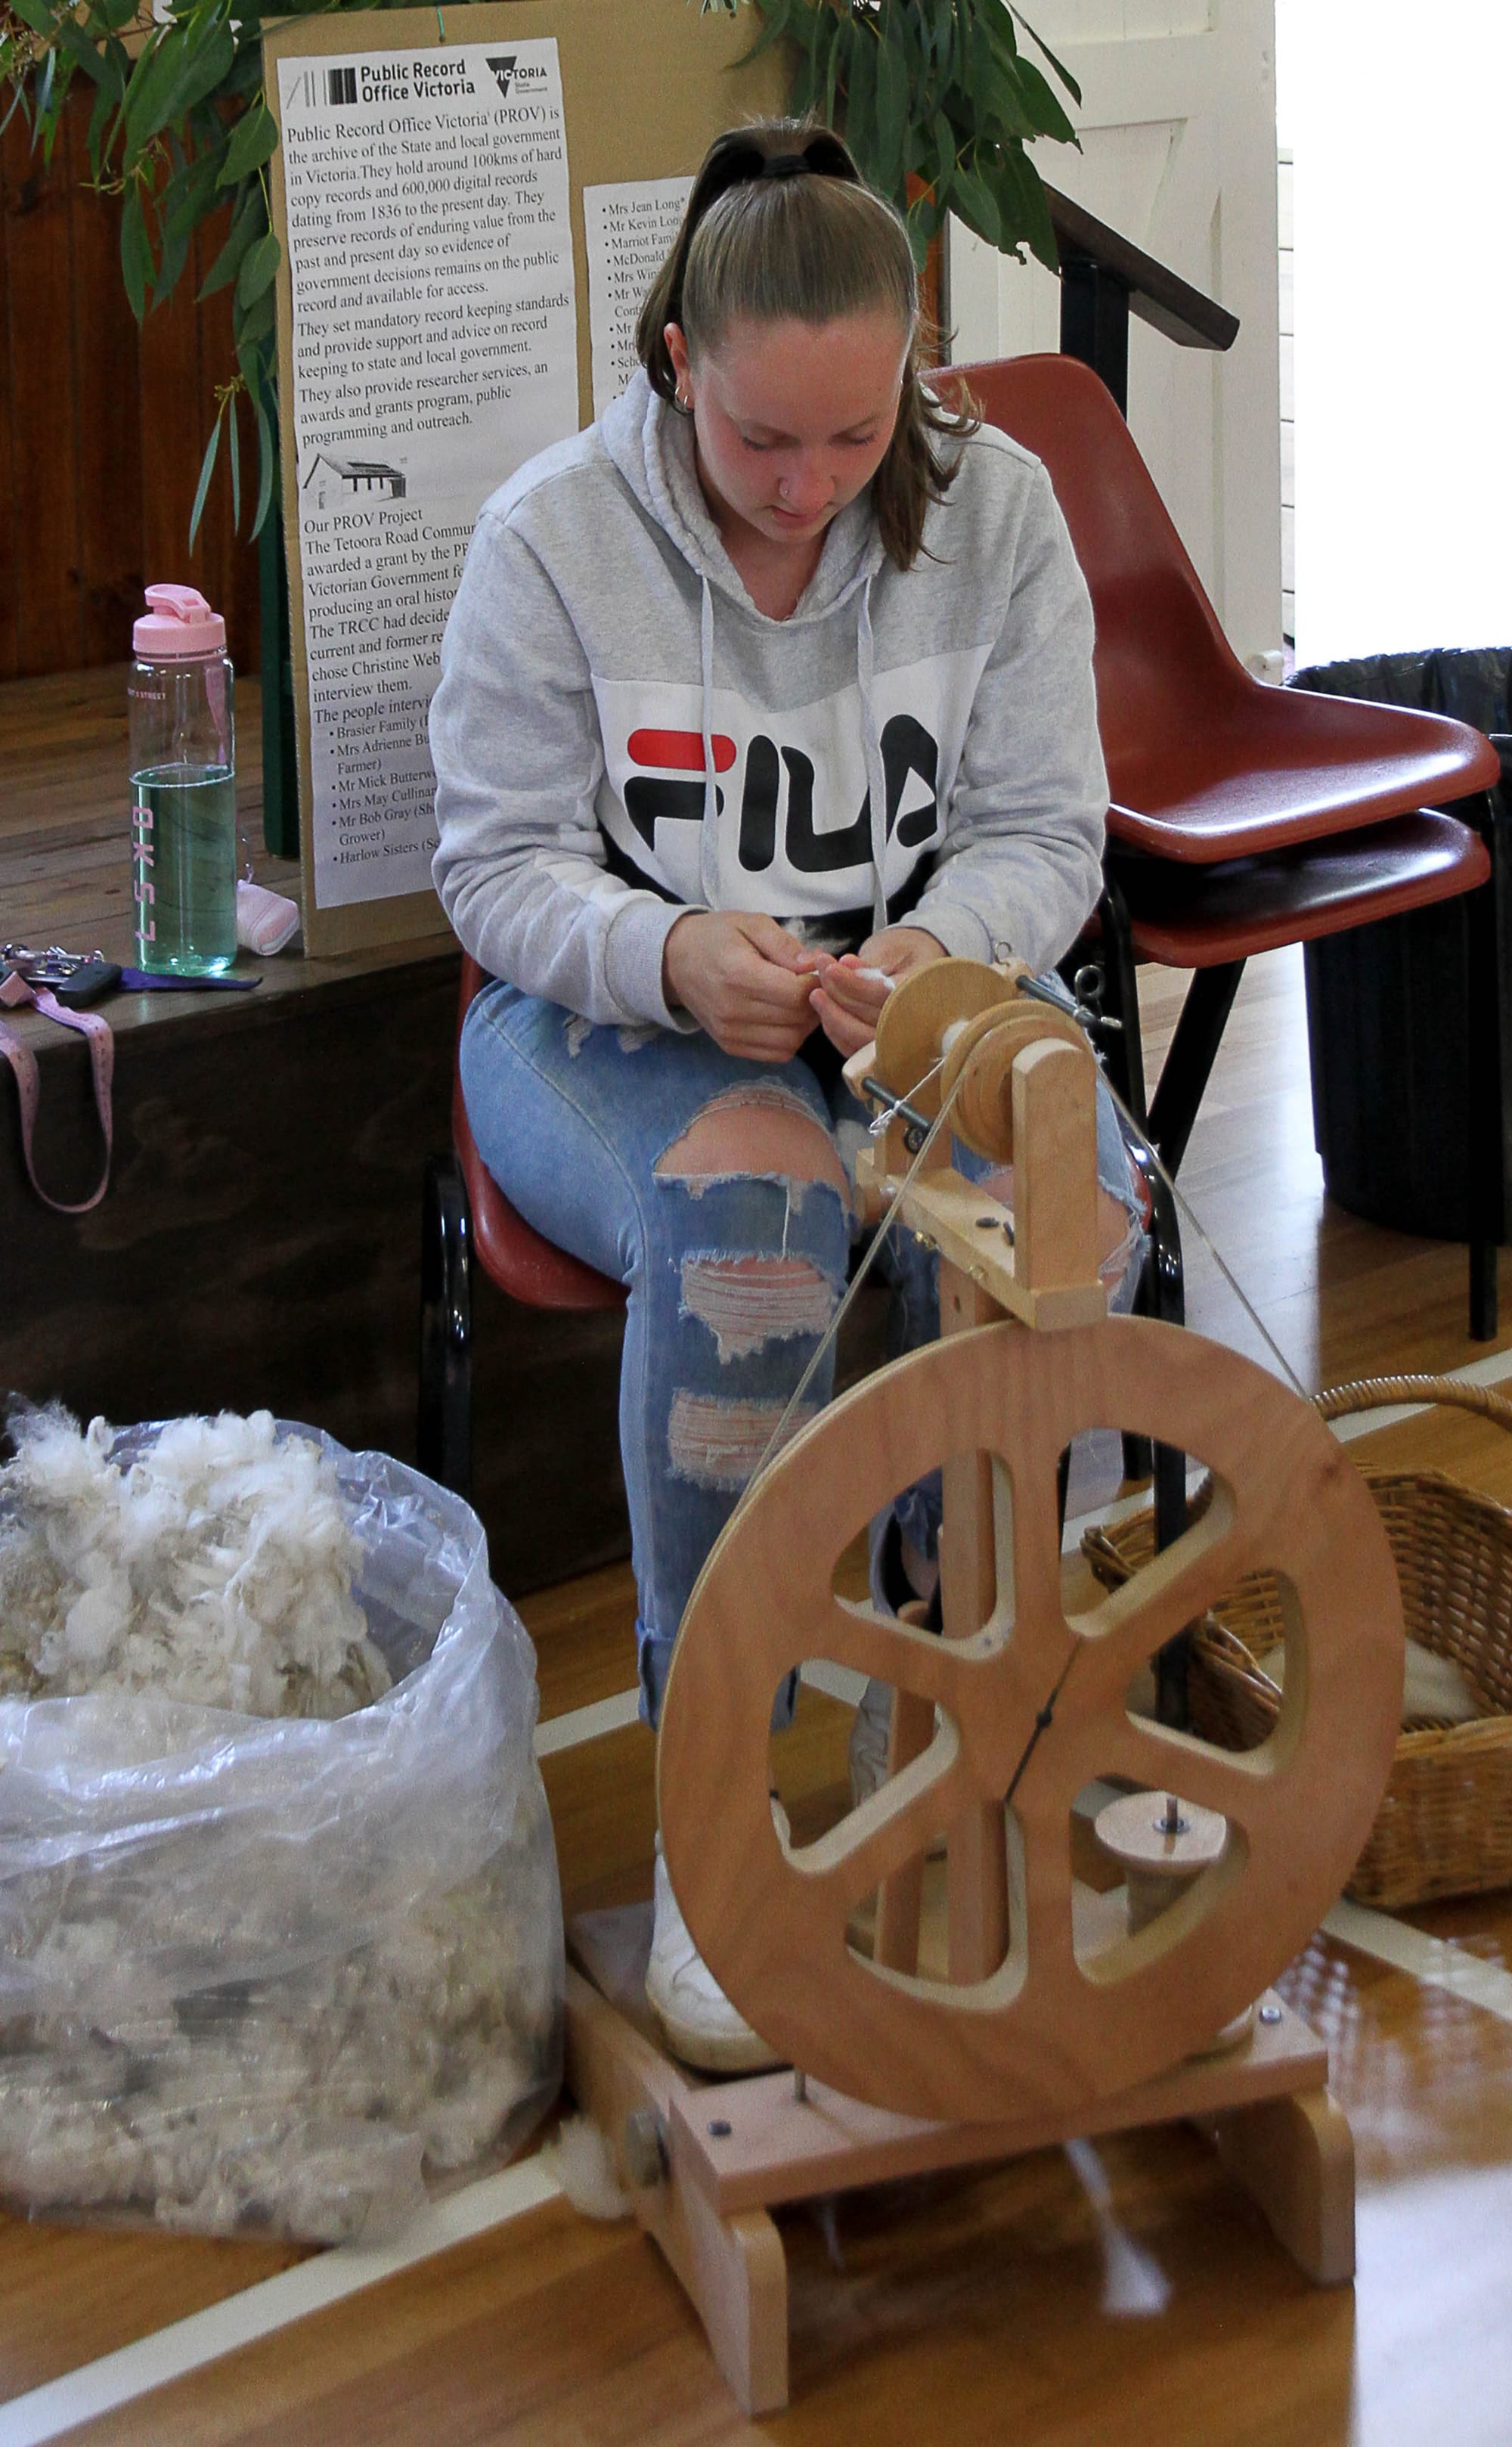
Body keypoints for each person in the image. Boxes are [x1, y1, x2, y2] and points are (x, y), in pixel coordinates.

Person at [430, 121, 1141, 2072]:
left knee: (1080, 1212)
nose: (816, 490)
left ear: (915, 372)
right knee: (757, 1227)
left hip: (901, 1013)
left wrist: (935, 959)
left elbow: (1041, 830)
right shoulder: (554, 541)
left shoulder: (990, 511)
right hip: (600, 1031)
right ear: (679, 361)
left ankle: (965, 1726)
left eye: (860, 437)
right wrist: (673, 954)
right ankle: (721, 1821)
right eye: (766, 445)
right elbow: (491, 874)